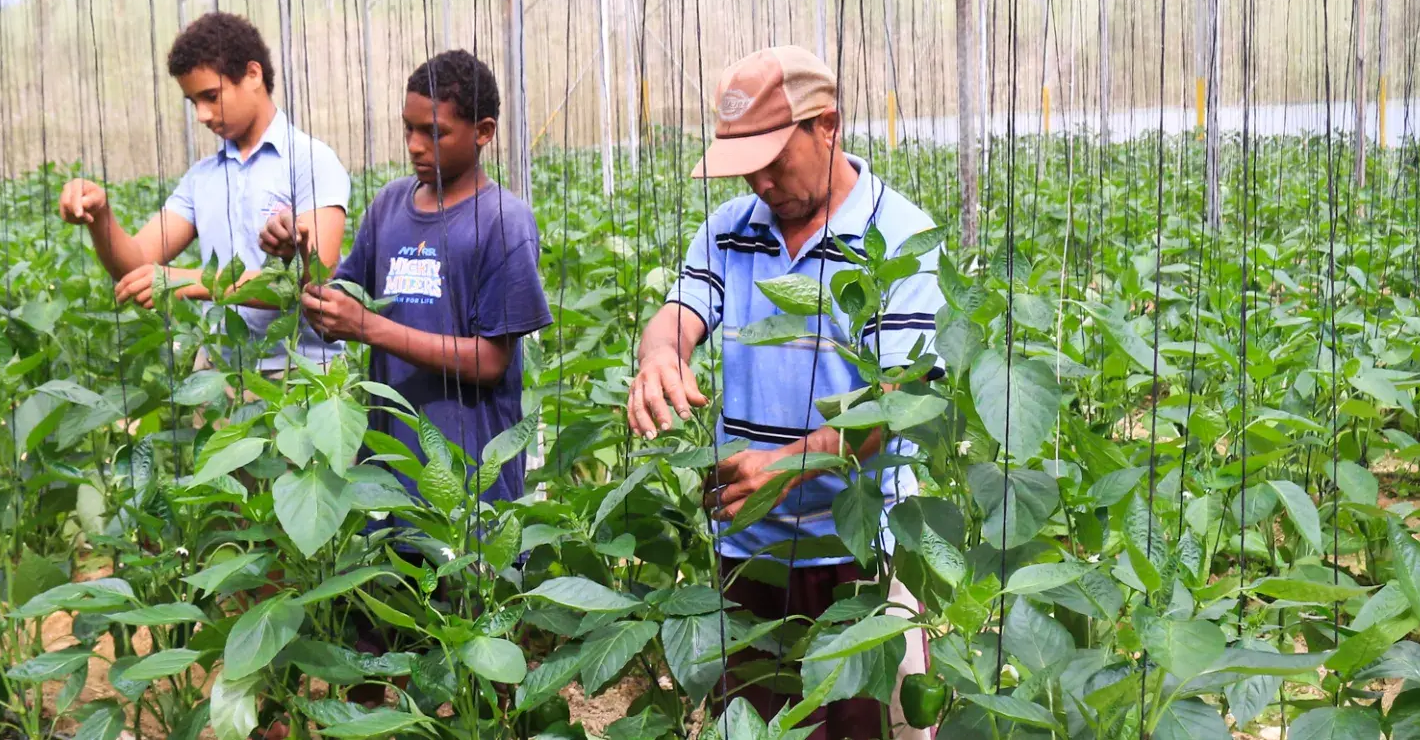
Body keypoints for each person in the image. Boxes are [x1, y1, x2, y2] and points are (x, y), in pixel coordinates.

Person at [626, 45, 943, 740]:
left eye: (775, 157)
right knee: (760, 724)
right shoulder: (729, 230)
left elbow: (899, 400)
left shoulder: (900, 235)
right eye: (747, 163)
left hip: (863, 550)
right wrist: (659, 357)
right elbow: (680, 312)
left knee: (871, 728)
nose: (760, 181)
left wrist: (786, 466)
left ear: (825, 124)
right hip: (751, 548)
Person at [301, 48, 552, 508]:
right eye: (409, 129)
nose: (415, 145)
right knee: (391, 578)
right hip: (387, 466)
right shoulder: (389, 206)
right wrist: (299, 258)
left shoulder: (503, 221)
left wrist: (368, 327)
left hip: (470, 476)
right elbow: (335, 304)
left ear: (483, 132)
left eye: (434, 132)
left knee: (465, 576)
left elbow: (490, 361)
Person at [57, 12, 348, 371]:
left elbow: (314, 282)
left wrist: (187, 281)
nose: (202, 115)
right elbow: (136, 265)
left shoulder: (311, 161)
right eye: (193, 102)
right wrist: (99, 214)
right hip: (217, 372)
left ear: (253, 75)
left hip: (297, 376)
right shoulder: (202, 178)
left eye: (211, 96)